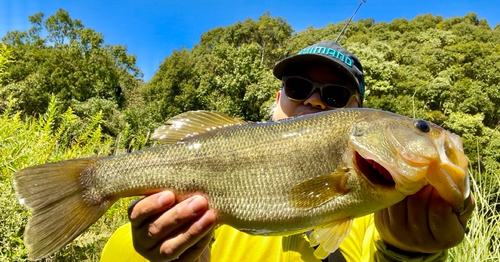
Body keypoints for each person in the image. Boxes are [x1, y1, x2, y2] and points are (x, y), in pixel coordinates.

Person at [100, 40, 475, 262]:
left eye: (334, 96)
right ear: (276, 98)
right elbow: (113, 253)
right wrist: (155, 252)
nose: (314, 102)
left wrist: (407, 254)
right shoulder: (223, 146)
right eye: (298, 87)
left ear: (360, 115)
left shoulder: (384, 221)